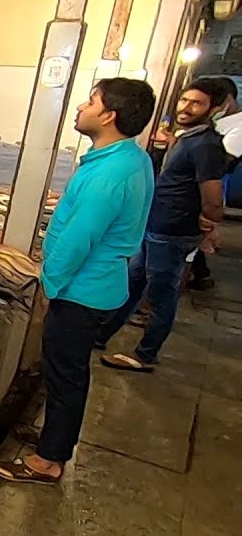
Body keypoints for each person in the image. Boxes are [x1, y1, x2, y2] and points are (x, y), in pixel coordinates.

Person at [0, 78, 156, 484]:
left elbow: (80, 239)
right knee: (65, 371)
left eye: (91, 101)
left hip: (82, 291)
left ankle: (48, 461)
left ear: (109, 115)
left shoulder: (111, 173)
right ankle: (55, 438)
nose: (81, 106)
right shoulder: (127, 158)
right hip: (96, 285)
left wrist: (50, 284)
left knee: (66, 375)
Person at [97, 78, 230, 373]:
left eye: (197, 103)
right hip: (157, 226)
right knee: (133, 282)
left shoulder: (206, 144)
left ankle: (145, 355)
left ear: (214, 108)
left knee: (162, 295)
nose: (186, 107)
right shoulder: (188, 138)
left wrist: (209, 223)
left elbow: (212, 195)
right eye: (184, 100)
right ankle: (101, 334)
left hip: (172, 231)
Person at [186, 75, 241, 290]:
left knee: (192, 242)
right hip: (196, 189)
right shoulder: (214, 125)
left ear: (226, 101)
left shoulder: (238, 128)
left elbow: (218, 164)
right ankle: (200, 275)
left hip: (209, 189)